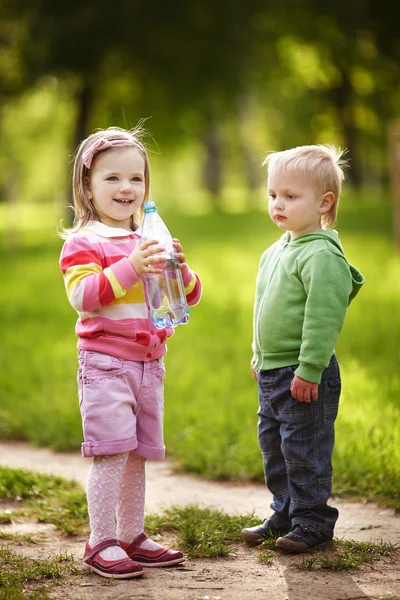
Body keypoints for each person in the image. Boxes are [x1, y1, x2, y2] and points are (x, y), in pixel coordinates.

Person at [59, 125, 202, 578]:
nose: (126, 188)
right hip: (104, 365)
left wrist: (180, 270)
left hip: (149, 365)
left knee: (138, 453)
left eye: (136, 179)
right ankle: (100, 538)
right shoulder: (84, 241)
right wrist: (130, 266)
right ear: (87, 186)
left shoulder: (149, 238)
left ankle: (132, 535)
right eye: (112, 178)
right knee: (111, 452)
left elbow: (187, 296)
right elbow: (84, 297)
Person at [241, 144, 364, 553]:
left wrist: (310, 367)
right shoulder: (275, 250)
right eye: (273, 194)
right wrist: (259, 356)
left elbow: (323, 316)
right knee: (275, 448)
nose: (277, 204)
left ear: (324, 202)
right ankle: (285, 511)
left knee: (303, 450)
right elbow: (267, 309)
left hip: (304, 373)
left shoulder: (322, 254)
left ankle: (313, 521)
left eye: (290, 197)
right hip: (273, 371)